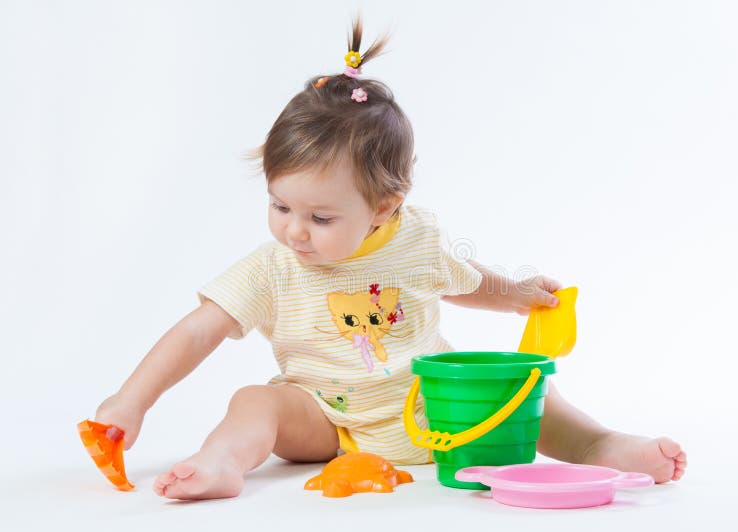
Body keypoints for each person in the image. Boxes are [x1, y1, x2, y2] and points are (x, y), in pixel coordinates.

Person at [95, 17, 687, 500]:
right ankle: (222, 460)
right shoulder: (272, 268)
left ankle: (595, 445)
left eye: (321, 218)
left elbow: (462, 279)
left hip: (434, 407)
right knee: (256, 402)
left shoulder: (415, 239)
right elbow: (198, 330)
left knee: (526, 384)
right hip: (326, 419)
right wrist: (132, 399)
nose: (294, 231)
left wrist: (514, 295)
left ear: (384, 208)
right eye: (279, 206)